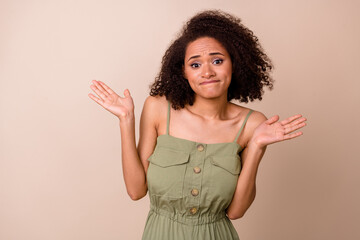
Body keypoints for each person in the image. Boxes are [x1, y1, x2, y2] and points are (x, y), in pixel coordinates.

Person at [88, 10, 306, 240]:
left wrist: (258, 146)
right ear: (183, 72)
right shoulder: (158, 108)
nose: (207, 72)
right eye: (195, 65)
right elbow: (135, 190)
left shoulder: (253, 124)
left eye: (217, 61)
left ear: (234, 64)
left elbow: (236, 211)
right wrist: (126, 120)